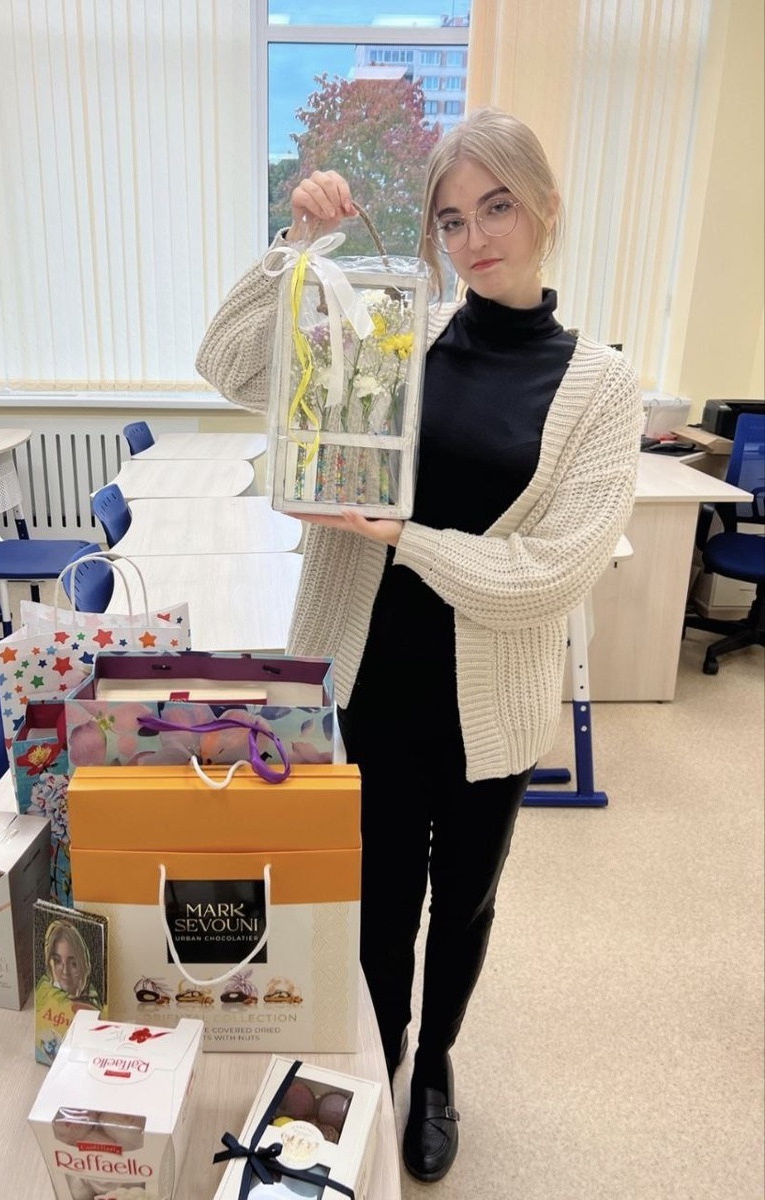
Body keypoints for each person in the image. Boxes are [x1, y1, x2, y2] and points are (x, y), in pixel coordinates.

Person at [195, 105, 642, 1184]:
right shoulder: (396, 332)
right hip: (369, 679)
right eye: (451, 218)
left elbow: (553, 573)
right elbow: (228, 366)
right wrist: (298, 247)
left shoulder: (600, 386)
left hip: (489, 700)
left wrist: (402, 536)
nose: (475, 237)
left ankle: (434, 1061)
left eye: (498, 207)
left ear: (544, 210)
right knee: (377, 898)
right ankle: (375, 1057)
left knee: (465, 900)